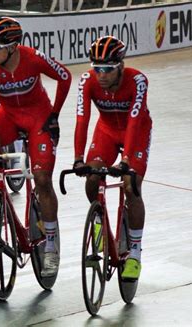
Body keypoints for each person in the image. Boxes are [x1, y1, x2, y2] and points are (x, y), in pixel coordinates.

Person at [0, 16, 72, 277]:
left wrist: (55, 115)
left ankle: (50, 244)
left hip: (38, 117)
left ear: (12, 47)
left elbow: (65, 77)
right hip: (9, 115)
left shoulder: (33, 57)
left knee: (42, 179)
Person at [73, 36, 152, 280]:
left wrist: (126, 160)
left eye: (107, 69)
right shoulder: (87, 81)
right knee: (92, 179)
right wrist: (78, 158)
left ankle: (135, 252)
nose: (102, 75)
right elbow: (82, 120)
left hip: (135, 132)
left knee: (131, 186)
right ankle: (100, 222)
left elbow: (134, 121)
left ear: (120, 66)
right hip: (106, 130)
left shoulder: (137, 80)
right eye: (97, 68)